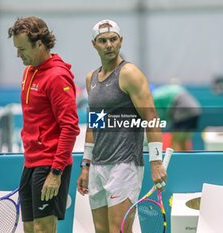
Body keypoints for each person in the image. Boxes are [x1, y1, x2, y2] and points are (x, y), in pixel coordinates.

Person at [76, 19, 167, 233]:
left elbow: (151, 117)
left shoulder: (130, 74)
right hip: (98, 166)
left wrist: (155, 162)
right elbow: (93, 125)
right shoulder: (91, 79)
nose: (109, 45)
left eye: (113, 39)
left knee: (119, 230)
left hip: (124, 165)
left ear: (121, 41)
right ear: (94, 44)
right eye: (103, 40)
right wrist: (86, 165)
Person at [8, 16, 80, 233]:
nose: (18, 54)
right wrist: (28, 160)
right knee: (29, 228)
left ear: (40, 44)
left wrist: (56, 172)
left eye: (22, 49)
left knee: (43, 229)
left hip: (50, 164)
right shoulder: (29, 71)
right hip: (31, 162)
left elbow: (70, 127)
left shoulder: (57, 77)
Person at [152, 81, 201, 151]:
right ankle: (187, 159)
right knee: (184, 140)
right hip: (196, 111)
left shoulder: (155, 97)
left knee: (176, 140)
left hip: (184, 110)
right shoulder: (163, 92)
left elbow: (157, 115)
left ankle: (175, 160)